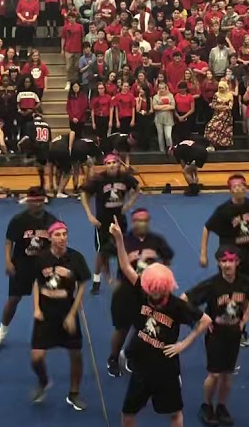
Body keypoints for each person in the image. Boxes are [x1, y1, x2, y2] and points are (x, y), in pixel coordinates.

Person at [107, 222, 211, 427]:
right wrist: (119, 239)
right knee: (127, 413)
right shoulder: (143, 293)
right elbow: (125, 267)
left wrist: (183, 344)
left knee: (175, 413)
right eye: (151, 292)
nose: (153, 296)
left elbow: (206, 321)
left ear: (165, 287)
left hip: (166, 367)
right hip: (141, 367)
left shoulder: (177, 306)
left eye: (158, 292)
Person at [183, 249, 249, 427]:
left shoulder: (245, 283)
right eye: (223, 261)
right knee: (214, 374)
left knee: (227, 374)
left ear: (237, 262)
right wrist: (202, 319)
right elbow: (184, 299)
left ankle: (222, 406)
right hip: (216, 334)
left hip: (234, 333)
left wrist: (246, 317)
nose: (227, 265)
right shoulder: (212, 285)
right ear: (219, 263)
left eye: (230, 261)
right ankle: (207, 406)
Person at [0, 186, 59, 350]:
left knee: (48, 298)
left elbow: (57, 243)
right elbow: (9, 242)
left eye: (40, 201)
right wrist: (8, 261)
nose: (37, 205)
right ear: (28, 202)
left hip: (43, 266)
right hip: (22, 264)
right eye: (34, 201)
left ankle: (47, 331)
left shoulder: (52, 221)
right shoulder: (18, 220)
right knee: (13, 299)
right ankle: (1, 331)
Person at [107, 208, 175, 377]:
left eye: (145, 220)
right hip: (126, 291)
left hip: (148, 293)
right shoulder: (124, 240)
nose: (142, 224)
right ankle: (113, 358)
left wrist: (163, 275)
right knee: (122, 328)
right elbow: (103, 255)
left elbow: (167, 257)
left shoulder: (156, 240)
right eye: (138, 220)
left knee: (145, 327)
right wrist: (109, 278)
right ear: (133, 222)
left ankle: (131, 355)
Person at [30, 221, 91, 410]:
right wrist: (36, 308)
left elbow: (82, 286)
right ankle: (43, 381)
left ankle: (74, 394)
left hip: (66, 311)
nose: (62, 238)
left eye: (65, 234)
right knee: (36, 357)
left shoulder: (76, 258)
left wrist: (72, 314)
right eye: (58, 234)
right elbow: (36, 283)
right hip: (46, 312)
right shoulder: (41, 258)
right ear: (50, 237)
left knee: (76, 354)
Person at [199, 174, 249, 347]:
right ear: (230, 190)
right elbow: (206, 228)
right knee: (223, 292)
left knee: (244, 293)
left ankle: (240, 328)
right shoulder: (223, 210)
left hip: (246, 256)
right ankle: (212, 322)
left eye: (242, 185)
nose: (239, 189)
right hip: (228, 258)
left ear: (246, 187)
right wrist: (203, 254)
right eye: (235, 186)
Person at [81, 153, 141, 294]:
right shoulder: (99, 179)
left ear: (119, 164)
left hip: (119, 219)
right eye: (108, 163)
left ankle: (123, 277)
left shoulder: (125, 177)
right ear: (105, 165)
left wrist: (129, 203)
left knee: (122, 248)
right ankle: (99, 279)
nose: (112, 165)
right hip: (102, 220)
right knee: (102, 251)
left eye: (114, 162)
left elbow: (138, 187)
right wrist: (89, 214)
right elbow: (84, 193)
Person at [48, 131, 75, 197]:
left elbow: (50, 168)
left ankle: (58, 188)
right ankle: (60, 191)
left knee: (59, 169)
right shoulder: (69, 135)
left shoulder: (58, 139)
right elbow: (72, 132)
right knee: (68, 171)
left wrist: (51, 184)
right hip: (61, 150)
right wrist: (70, 148)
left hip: (51, 150)